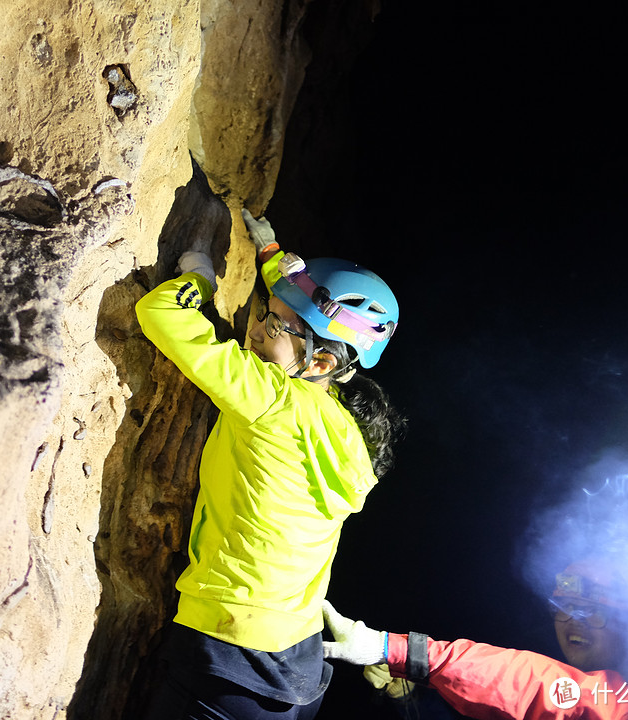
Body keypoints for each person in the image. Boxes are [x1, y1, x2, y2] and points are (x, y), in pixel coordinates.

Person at [134, 209, 407, 719]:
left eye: (273, 324)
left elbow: (162, 314)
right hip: (293, 667)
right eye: (263, 311)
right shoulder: (347, 430)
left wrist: (196, 278)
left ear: (322, 361)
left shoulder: (269, 398)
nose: (254, 330)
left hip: (227, 657)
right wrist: (271, 258)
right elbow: (307, 310)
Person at [321, 557, 628, 720]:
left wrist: (392, 648)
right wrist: (406, 699)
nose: (574, 622)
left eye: (593, 612)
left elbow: (535, 685)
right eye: (566, 607)